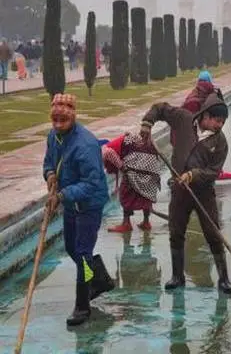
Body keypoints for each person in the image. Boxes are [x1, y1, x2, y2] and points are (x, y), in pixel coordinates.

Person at [139, 93, 231, 294]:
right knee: (176, 232)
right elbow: (160, 107)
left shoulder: (220, 141)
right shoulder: (184, 119)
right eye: (217, 120)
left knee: (213, 234)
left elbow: (213, 171)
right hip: (179, 191)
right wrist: (147, 123)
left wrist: (193, 174)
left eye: (223, 122)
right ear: (206, 115)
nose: (220, 125)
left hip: (203, 192)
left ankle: (224, 278)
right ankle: (177, 276)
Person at [43, 93, 114, 326]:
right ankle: (99, 279)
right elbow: (48, 162)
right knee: (71, 247)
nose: (58, 124)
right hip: (71, 203)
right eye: (55, 120)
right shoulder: (53, 137)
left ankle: (82, 306)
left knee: (82, 252)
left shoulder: (85, 144)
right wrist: (50, 174)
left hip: (89, 203)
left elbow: (91, 183)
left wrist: (62, 195)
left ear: (73, 116)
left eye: (62, 120)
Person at [102, 132, 163, 233]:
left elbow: (109, 154)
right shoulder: (125, 141)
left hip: (137, 164)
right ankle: (146, 222)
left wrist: (122, 168)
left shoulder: (104, 149)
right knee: (146, 195)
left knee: (125, 193)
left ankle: (126, 224)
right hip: (152, 168)